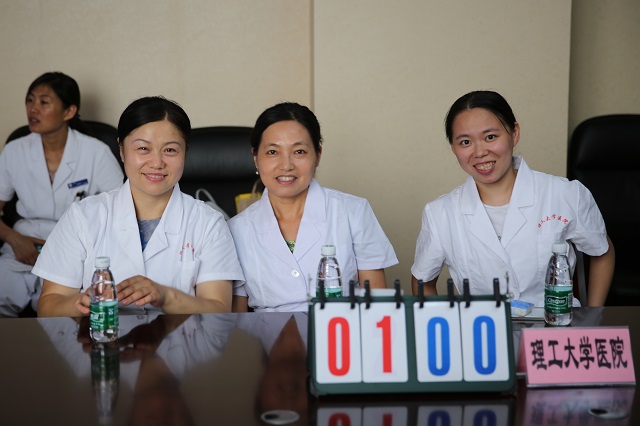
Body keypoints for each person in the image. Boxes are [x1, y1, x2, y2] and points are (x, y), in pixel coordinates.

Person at [33, 96, 244, 316]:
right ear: (122, 150)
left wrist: (166, 296)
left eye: (170, 150)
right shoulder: (83, 216)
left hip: (181, 339)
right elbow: (48, 305)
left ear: (185, 153)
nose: (157, 163)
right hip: (101, 337)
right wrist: (84, 302)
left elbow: (219, 310)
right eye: (143, 148)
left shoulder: (208, 223)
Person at [411, 90, 615, 307]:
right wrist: (443, 322)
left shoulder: (565, 194)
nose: (479, 152)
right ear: (453, 147)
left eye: (490, 137)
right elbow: (422, 281)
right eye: (465, 142)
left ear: (514, 133)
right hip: (483, 326)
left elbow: (602, 251)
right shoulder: (440, 212)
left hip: (553, 323)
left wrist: (594, 315)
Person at [229, 102, 398, 312]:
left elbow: (378, 305)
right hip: (268, 332)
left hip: (340, 329)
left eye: (299, 151)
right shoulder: (236, 230)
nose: (286, 165)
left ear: (318, 155)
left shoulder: (353, 211)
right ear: (256, 158)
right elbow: (236, 319)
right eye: (272, 152)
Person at [0, 72, 123, 317]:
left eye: (44, 102)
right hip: (24, 247)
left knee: (67, 316)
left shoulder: (95, 152)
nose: (33, 109)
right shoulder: (15, 150)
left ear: (69, 111)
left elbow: (122, 208)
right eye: (30, 100)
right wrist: (14, 239)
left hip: (77, 247)